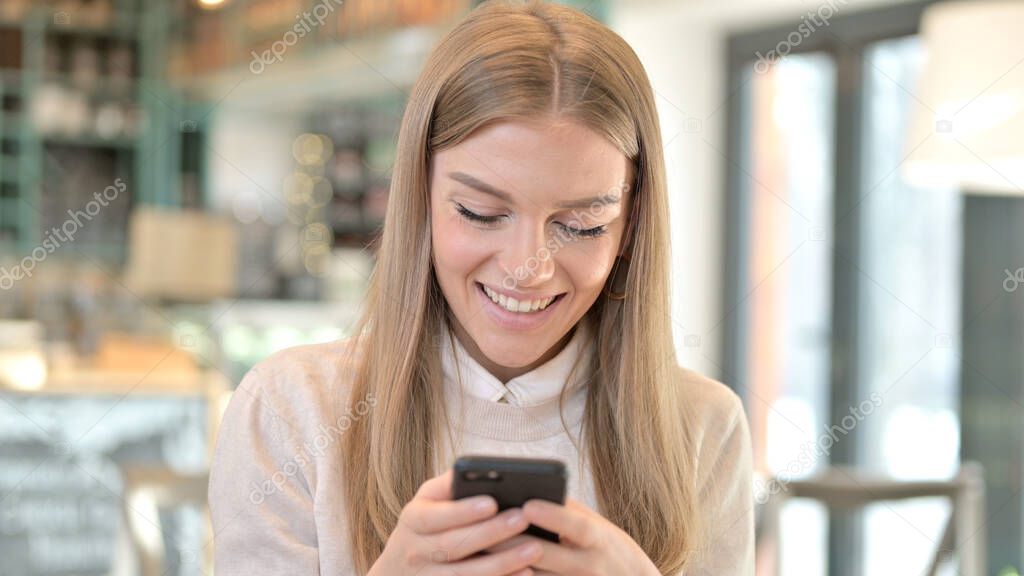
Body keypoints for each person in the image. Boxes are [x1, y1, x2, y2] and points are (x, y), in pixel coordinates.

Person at [209, 1, 754, 574]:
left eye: (580, 225)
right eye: (481, 212)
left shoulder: (703, 428)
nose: (528, 268)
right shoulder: (291, 410)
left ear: (632, 223)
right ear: (419, 196)